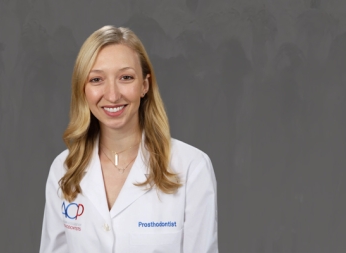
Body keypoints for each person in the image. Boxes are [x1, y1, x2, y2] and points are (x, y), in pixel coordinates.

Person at [40, 25, 218, 253]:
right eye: (96, 80)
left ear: (144, 85)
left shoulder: (192, 168)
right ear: (82, 89)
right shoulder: (64, 169)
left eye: (125, 77)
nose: (112, 95)